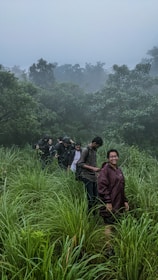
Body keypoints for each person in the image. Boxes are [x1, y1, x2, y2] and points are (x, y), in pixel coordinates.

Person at [97, 149, 129, 256]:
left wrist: (125, 201)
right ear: (108, 158)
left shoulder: (118, 170)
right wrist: (108, 201)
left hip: (118, 202)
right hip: (109, 203)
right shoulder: (105, 170)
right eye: (111, 156)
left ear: (118, 157)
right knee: (108, 225)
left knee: (115, 224)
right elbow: (102, 187)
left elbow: (121, 187)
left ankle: (113, 245)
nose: (113, 158)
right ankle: (108, 249)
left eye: (115, 156)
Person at [77, 136, 103, 213]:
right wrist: (93, 168)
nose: (98, 147)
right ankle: (89, 215)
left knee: (96, 197)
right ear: (94, 143)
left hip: (93, 176)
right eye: (97, 145)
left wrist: (96, 172)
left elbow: (93, 163)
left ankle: (94, 214)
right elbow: (80, 163)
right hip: (86, 176)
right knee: (90, 198)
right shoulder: (86, 150)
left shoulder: (94, 150)